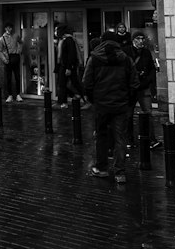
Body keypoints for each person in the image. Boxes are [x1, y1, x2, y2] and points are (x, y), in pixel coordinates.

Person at [82, 29, 139, 184]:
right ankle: (120, 172)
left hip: (101, 104)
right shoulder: (126, 59)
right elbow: (134, 83)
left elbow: (86, 82)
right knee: (120, 137)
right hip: (121, 104)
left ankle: (101, 168)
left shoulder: (94, 59)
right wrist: (129, 102)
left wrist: (94, 99)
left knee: (101, 136)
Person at [130, 32, 161, 148]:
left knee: (148, 113)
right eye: (138, 38)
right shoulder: (127, 52)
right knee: (129, 114)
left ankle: (151, 139)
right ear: (133, 40)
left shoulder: (146, 52)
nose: (141, 41)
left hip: (144, 87)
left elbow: (152, 69)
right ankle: (130, 139)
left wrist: (147, 80)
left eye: (143, 38)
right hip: (131, 88)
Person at [54, 25, 82, 107]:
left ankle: (82, 98)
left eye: (57, 30)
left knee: (72, 83)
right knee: (63, 84)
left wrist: (69, 67)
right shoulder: (62, 40)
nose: (55, 32)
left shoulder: (69, 40)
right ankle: (63, 101)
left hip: (67, 66)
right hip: (63, 65)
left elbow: (71, 54)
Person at [0, 23, 23, 101]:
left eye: (11, 27)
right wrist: (4, 60)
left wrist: (19, 51)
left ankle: (18, 94)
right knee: (8, 77)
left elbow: (21, 42)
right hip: (8, 58)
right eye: (8, 27)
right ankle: (10, 95)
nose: (10, 29)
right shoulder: (2, 38)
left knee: (17, 76)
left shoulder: (16, 36)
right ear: (5, 28)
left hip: (15, 56)